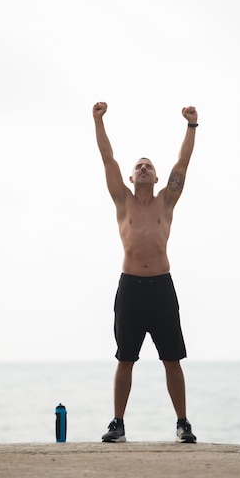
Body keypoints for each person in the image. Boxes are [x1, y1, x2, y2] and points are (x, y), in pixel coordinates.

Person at [92, 101, 199, 444]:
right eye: (138, 165)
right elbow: (108, 158)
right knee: (125, 359)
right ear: (130, 175)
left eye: (148, 166)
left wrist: (191, 126)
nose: (142, 168)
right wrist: (98, 121)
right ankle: (117, 424)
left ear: (156, 177)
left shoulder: (166, 200)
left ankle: (183, 423)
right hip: (130, 288)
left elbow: (182, 162)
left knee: (172, 358)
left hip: (161, 288)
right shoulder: (122, 201)